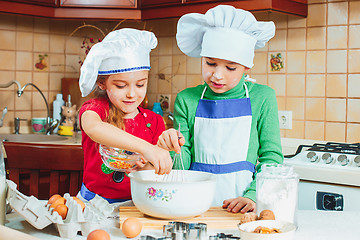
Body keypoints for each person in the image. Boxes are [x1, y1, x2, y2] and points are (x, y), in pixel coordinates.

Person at [157, 5, 283, 213]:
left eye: (230, 68)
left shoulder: (263, 97)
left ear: (246, 66)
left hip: (243, 205)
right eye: (210, 63)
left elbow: (272, 159)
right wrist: (171, 149)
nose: (217, 75)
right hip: (193, 203)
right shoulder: (186, 99)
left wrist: (252, 196)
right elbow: (181, 165)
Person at [77, 28, 173, 203]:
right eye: (121, 86)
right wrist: (147, 148)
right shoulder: (94, 109)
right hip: (94, 202)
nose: (131, 94)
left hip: (136, 203)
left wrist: (161, 154)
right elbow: (93, 128)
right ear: (102, 83)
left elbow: (150, 171)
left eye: (140, 84)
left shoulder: (154, 120)